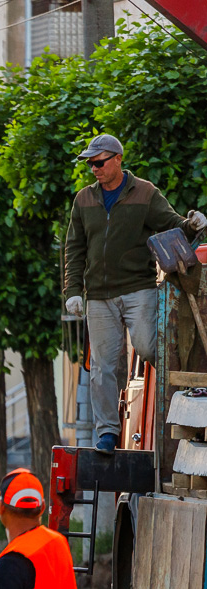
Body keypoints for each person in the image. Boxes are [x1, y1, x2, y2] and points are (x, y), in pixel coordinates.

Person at [63, 134, 207, 454]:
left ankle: (187, 400)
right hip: (98, 296)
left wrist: (192, 225)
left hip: (137, 288)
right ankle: (107, 433)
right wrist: (72, 291)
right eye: (90, 164)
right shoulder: (83, 200)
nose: (94, 169)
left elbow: (172, 224)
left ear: (117, 159)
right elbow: (74, 248)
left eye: (99, 162)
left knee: (149, 346)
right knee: (102, 367)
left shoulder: (145, 193)